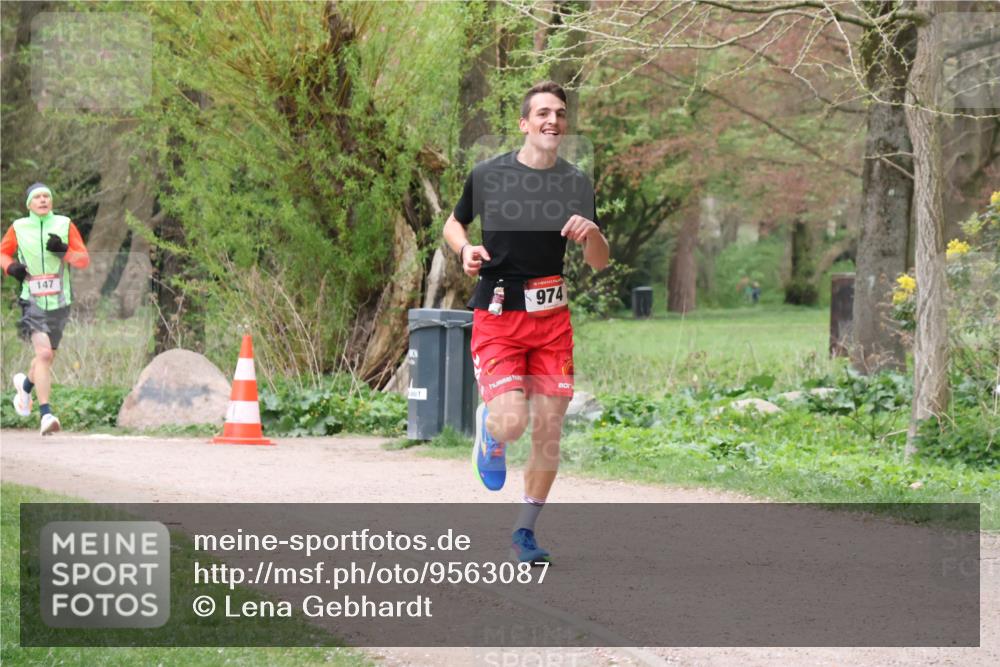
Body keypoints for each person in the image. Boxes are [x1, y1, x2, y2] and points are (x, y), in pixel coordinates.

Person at [442, 81, 610, 564]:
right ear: (524, 124)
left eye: (559, 113)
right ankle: (492, 430)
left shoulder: (576, 182)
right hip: (497, 315)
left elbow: (599, 261)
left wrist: (593, 232)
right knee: (513, 424)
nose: (552, 120)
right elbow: (455, 223)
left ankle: (525, 533)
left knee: (550, 429)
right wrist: (464, 250)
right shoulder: (488, 175)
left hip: (551, 319)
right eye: (542, 113)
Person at [2, 183, 90, 434]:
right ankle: (46, 414)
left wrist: (64, 251)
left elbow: (83, 259)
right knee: (44, 355)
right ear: (29, 204)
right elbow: (2, 254)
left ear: (51, 201)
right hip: (32, 299)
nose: (42, 200)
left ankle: (25, 387)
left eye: (46, 196)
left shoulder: (64, 224)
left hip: (60, 301)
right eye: (37, 197)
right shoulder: (19, 227)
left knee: (48, 356)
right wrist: (11, 268)